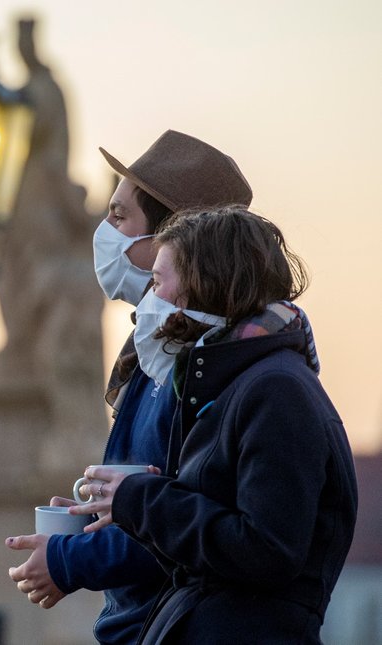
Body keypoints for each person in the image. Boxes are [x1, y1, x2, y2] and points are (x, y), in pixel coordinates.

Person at [6, 130, 253, 644]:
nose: (102, 233)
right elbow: (140, 502)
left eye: (118, 218)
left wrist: (68, 560)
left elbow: (178, 525)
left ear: (168, 243)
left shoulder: (205, 369)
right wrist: (79, 524)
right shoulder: (151, 354)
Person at [72, 207, 357, 643]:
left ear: (204, 284)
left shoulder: (275, 390)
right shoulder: (235, 384)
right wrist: (128, 510)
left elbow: (267, 550)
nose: (147, 300)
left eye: (159, 281)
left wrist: (144, 502)